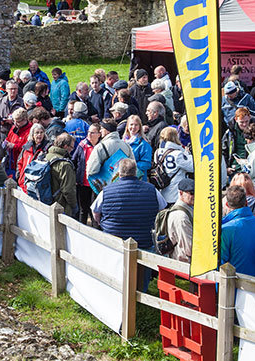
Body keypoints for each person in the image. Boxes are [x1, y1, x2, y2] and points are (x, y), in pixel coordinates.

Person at [94, 158, 165, 289]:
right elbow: (162, 209)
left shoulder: (106, 191)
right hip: (143, 240)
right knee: (143, 266)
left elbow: (95, 212)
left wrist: (103, 224)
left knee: (114, 266)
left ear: (119, 172)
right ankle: (141, 291)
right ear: (136, 172)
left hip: (114, 240)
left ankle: (114, 288)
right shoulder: (152, 190)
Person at [221, 184, 255, 278]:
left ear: (227, 204)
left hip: (235, 284)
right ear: (246, 202)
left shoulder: (225, 229)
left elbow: (221, 263)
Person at [86, 119, 133, 192]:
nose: (100, 131)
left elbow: (91, 170)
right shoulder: (126, 146)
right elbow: (133, 166)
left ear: (107, 131)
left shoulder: (100, 147)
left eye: (102, 128)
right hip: (124, 187)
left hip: (106, 189)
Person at [153, 127, 194, 204]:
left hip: (162, 191)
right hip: (175, 193)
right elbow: (192, 167)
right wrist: (187, 153)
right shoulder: (178, 154)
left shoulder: (157, 152)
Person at [73, 123, 101, 224]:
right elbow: (74, 161)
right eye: (88, 132)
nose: (89, 134)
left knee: (95, 210)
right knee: (83, 209)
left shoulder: (101, 147)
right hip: (83, 182)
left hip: (96, 183)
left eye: (92, 132)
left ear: (99, 134)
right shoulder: (82, 145)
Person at [44, 133, 78, 215]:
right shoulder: (65, 165)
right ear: (65, 146)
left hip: (45, 201)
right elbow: (68, 190)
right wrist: (74, 206)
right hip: (60, 205)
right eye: (71, 147)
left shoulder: (46, 156)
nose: (72, 150)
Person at [167, 178, 195, 263]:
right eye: (192, 193)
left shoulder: (188, 209)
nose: (195, 196)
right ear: (181, 193)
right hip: (183, 263)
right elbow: (189, 248)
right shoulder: (181, 217)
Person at [16, 123, 50, 192]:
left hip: (37, 186)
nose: (39, 135)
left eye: (41, 132)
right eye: (37, 133)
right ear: (32, 135)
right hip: (23, 184)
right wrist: (19, 177)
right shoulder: (26, 147)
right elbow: (19, 163)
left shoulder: (47, 148)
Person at [3, 108, 31, 176]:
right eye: (14, 121)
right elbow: (9, 138)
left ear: (25, 119)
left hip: (21, 162)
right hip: (11, 161)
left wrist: (14, 146)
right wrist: (5, 142)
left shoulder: (30, 131)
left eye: (17, 121)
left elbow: (28, 148)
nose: (15, 124)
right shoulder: (14, 128)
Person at [123, 114, 152, 181]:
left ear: (139, 127)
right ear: (127, 126)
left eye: (136, 125)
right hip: (123, 177)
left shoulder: (143, 144)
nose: (133, 127)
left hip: (138, 179)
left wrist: (130, 167)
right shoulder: (122, 142)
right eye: (131, 124)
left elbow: (147, 163)